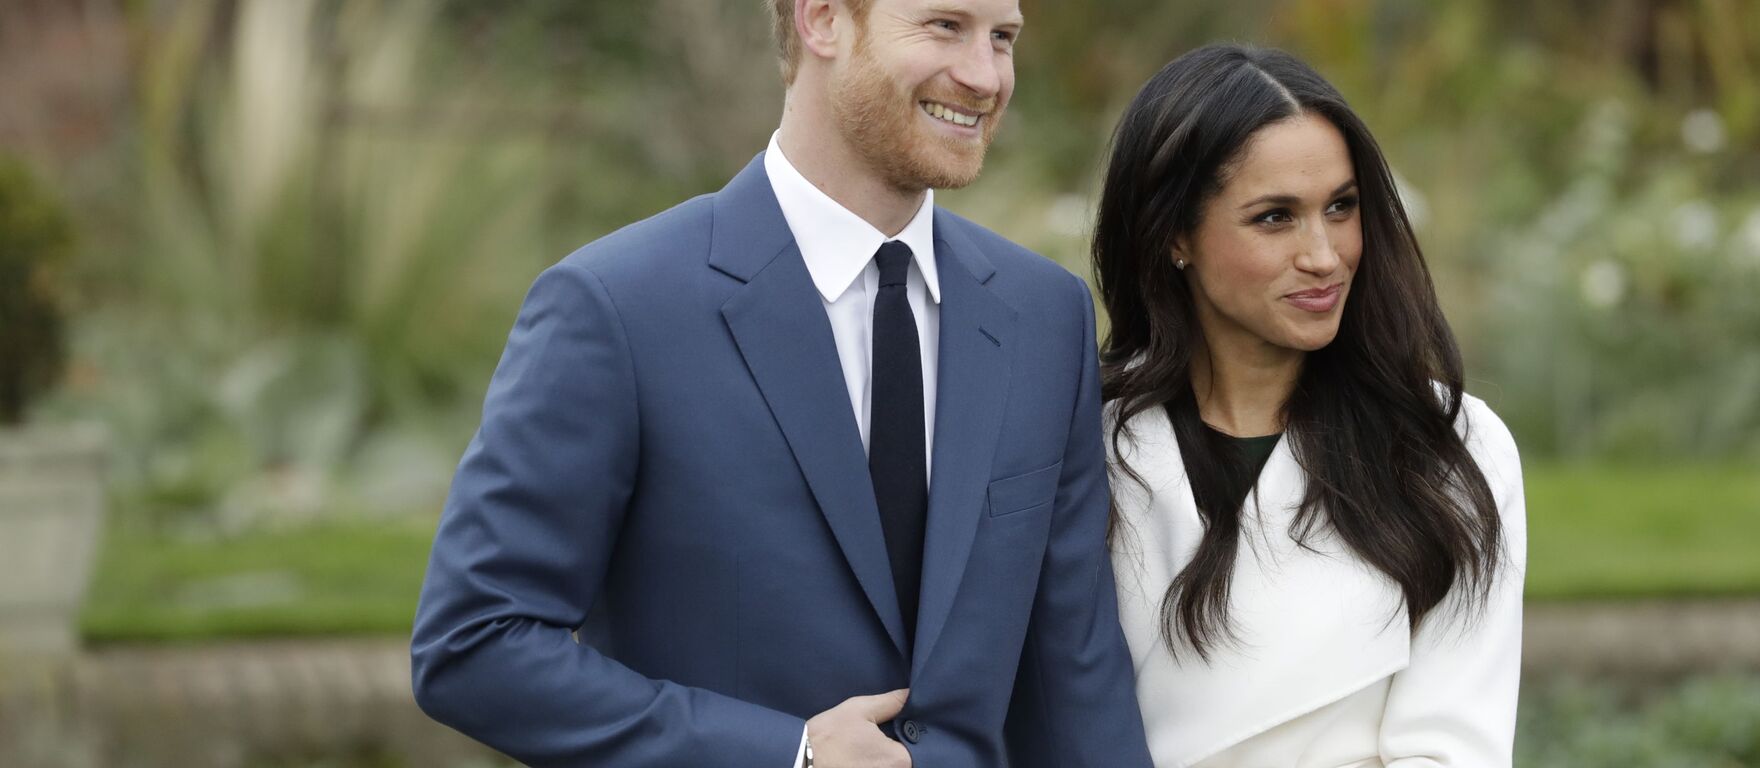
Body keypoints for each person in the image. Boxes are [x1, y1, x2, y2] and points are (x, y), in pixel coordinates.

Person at [409, 1, 1152, 766]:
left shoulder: (1044, 315)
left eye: (1002, 38)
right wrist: (786, 752)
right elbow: (474, 644)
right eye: (944, 27)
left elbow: (1076, 677)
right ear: (823, 19)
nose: (984, 75)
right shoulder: (617, 307)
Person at [1092, 44, 1528, 768]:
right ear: (1174, 236)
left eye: (1341, 208)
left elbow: (1453, 749)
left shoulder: (1451, 448)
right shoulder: (1084, 441)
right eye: (1275, 218)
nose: (1324, 255)